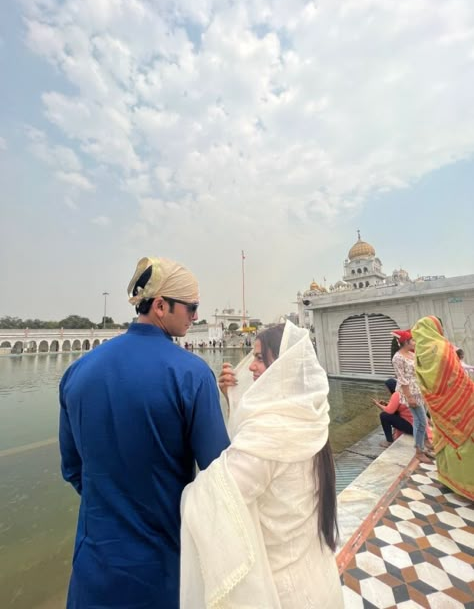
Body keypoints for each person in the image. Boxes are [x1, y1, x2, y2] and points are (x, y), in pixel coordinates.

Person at [59, 256, 230, 609]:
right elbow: (219, 477)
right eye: (191, 307)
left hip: (93, 570)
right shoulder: (191, 374)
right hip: (161, 571)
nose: (195, 317)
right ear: (161, 305)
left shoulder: (77, 372)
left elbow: (73, 470)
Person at [180, 322, 343, 608]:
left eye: (259, 358)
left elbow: (215, 500)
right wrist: (232, 399)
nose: (251, 367)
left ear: (283, 366)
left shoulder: (268, 436)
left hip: (283, 591)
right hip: (317, 576)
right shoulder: (311, 415)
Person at [413, 316, 474, 501]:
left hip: (437, 407)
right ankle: (467, 485)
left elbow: (423, 382)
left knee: (443, 438)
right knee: (463, 441)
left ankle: (446, 481)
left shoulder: (419, 352)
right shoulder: (443, 348)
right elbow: (456, 376)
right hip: (457, 403)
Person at [391, 329, 433, 464]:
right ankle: (419, 451)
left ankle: (425, 442)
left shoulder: (411, 354)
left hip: (419, 390)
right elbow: (402, 379)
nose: (415, 343)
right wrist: (409, 397)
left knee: (421, 420)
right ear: (405, 342)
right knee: (420, 420)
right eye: (413, 340)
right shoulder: (398, 358)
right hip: (409, 393)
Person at [373, 378, 414, 446]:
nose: (386, 390)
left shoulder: (397, 394)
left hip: (411, 427)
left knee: (384, 416)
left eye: (386, 388)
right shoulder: (403, 392)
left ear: (390, 387)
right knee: (390, 414)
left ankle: (389, 441)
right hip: (415, 425)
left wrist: (378, 404)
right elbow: (398, 407)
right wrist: (386, 404)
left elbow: (389, 411)